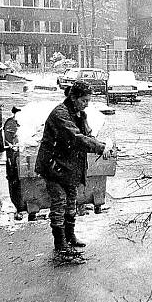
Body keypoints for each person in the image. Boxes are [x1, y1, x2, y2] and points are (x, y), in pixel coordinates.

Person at [35, 83, 112, 252]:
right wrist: (99, 147)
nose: (86, 104)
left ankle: (70, 236)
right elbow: (76, 138)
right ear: (73, 98)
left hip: (70, 166)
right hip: (53, 166)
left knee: (71, 200)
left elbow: (87, 135)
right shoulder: (60, 114)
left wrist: (102, 145)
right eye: (84, 100)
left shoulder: (80, 114)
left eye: (88, 101)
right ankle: (60, 241)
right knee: (59, 202)